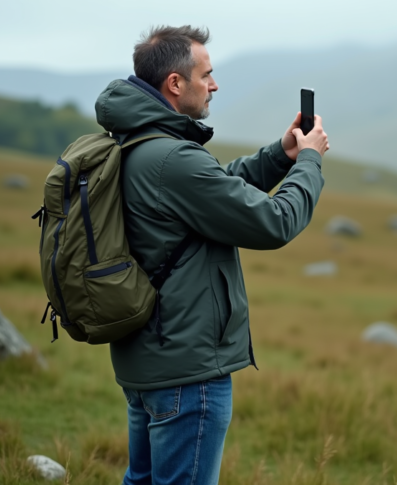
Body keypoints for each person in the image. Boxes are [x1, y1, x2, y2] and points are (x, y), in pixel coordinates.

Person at [93, 25, 328, 485]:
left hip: (149, 358)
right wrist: (309, 163)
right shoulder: (171, 158)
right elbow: (273, 222)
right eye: (207, 75)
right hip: (188, 370)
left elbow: (216, 187)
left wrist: (280, 156)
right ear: (175, 84)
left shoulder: (135, 141)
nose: (214, 85)